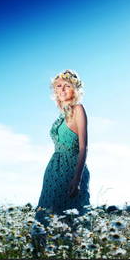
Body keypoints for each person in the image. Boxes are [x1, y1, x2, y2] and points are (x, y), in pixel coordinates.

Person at [33, 69, 90, 227]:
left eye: (67, 85)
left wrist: (77, 179)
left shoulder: (78, 109)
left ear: (75, 89)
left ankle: (72, 250)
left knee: (71, 219)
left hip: (72, 169)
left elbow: (84, 147)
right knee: (45, 215)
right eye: (58, 86)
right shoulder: (61, 115)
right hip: (53, 169)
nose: (62, 89)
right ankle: (39, 251)